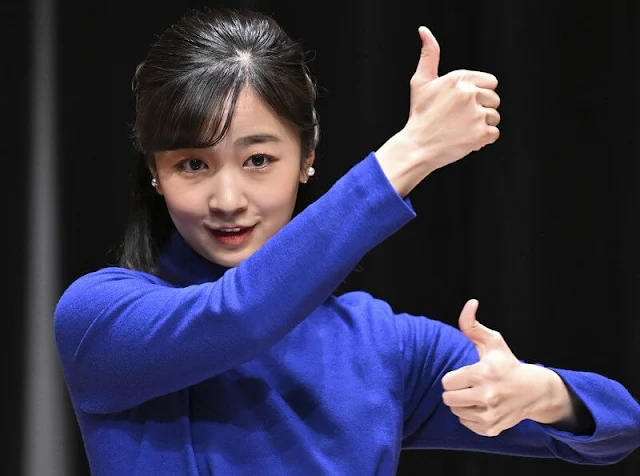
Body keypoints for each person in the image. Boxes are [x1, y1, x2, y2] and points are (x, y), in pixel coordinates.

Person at [53, 6, 639, 476]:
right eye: (192, 164)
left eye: (258, 159)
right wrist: (409, 153)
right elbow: (239, 316)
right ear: (154, 172)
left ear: (306, 159)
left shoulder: (383, 345)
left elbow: (622, 424)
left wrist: (541, 394)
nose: (227, 199)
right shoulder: (99, 317)